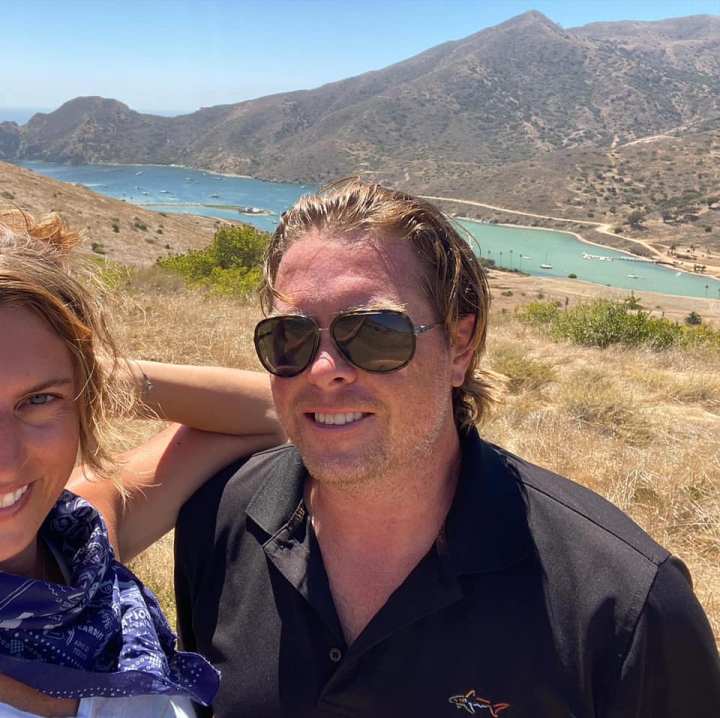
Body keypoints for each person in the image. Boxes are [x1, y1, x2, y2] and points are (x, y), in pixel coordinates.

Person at [175, 178, 720, 717]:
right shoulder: (218, 523)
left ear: (460, 345)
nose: (322, 370)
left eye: (374, 333)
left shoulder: (623, 605)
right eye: (289, 337)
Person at [0, 208, 284, 717]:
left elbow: (277, 414)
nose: (5, 461)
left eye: (38, 400)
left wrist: (87, 374)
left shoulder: (75, 542)